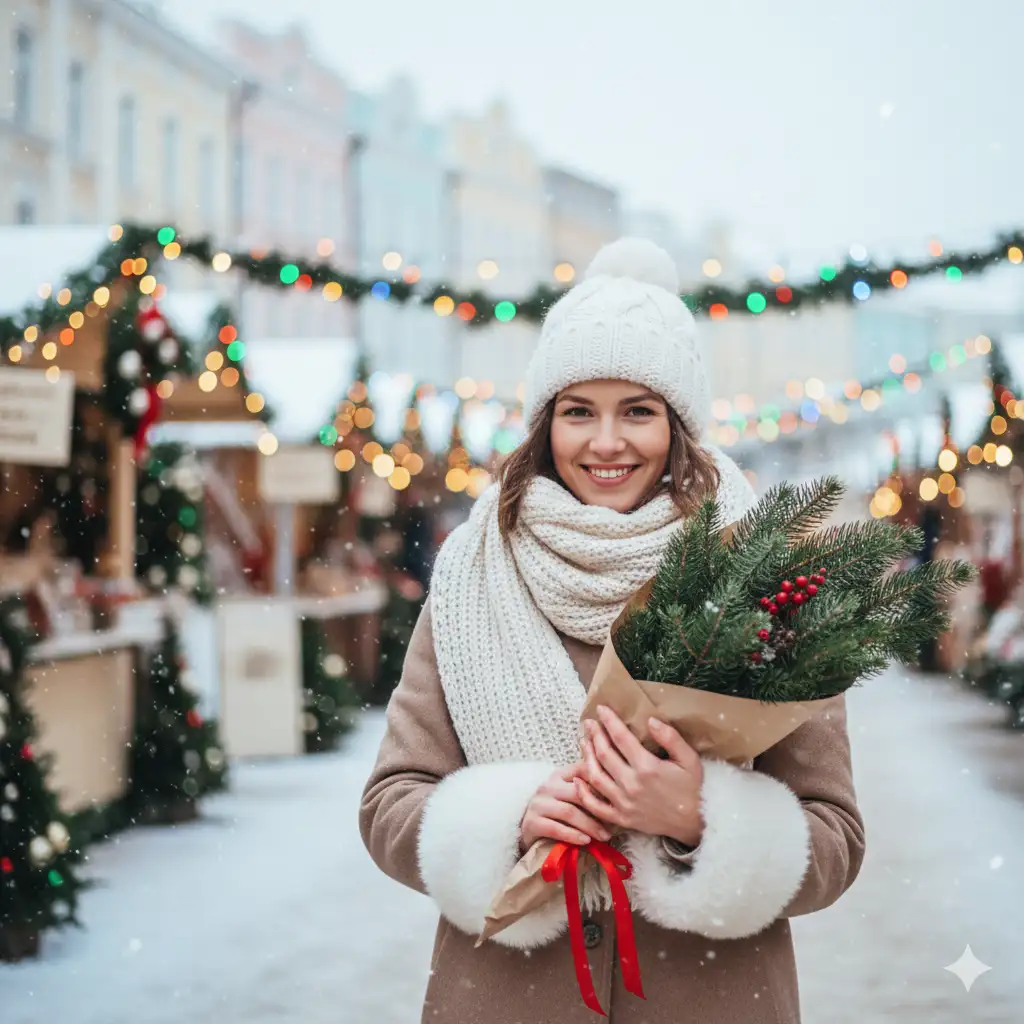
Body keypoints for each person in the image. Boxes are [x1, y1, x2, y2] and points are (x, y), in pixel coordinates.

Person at [360, 238, 865, 1023]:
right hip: (505, 1000)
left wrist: (700, 820)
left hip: (711, 998)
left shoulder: (760, 579)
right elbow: (391, 802)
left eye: (638, 411)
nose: (605, 443)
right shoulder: (473, 575)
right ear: (543, 425)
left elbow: (835, 841)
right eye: (577, 412)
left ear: (680, 427)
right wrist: (511, 818)